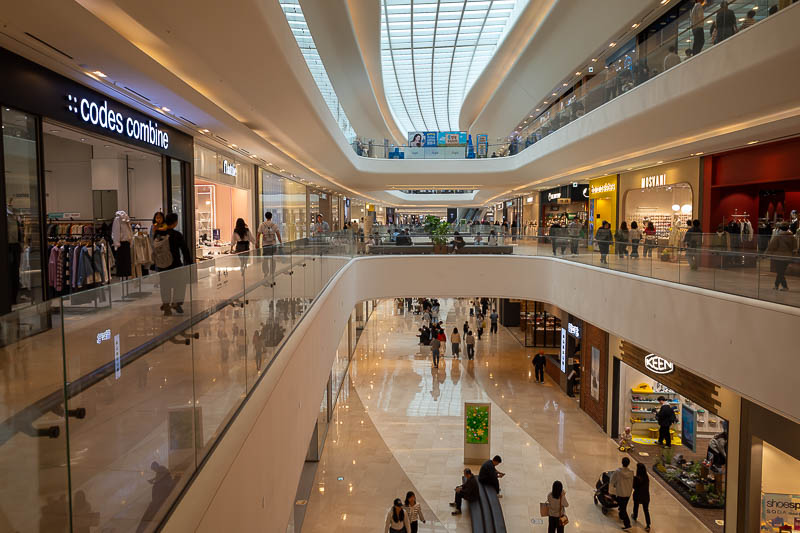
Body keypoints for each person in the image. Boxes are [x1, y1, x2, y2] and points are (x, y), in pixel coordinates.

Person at [153, 213, 192, 316]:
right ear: (175, 223)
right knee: (179, 284)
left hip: (162, 265)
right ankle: (176, 303)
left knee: (165, 286)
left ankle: (166, 306)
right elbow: (185, 250)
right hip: (175, 264)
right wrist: (189, 262)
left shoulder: (158, 233)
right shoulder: (176, 235)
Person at [766, 222, 794, 290]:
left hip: (778, 257)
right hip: (788, 257)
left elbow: (771, 246)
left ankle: (785, 286)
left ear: (780, 228)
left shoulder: (778, 236)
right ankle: (776, 285)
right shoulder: (792, 237)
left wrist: (765, 254)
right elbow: (794, 247)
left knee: (780, 272)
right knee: (781, 272)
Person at [609, 457, 634, 530]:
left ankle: (627, 524)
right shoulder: (631, 472)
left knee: (623, 509)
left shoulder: (618, 472)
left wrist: (611, 492)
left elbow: (612, 481)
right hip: (628, 493)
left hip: (621, 493)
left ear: (622, 462)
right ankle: (621, 516)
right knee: (623, 506)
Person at [632, 463, 651, 531]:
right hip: (646, 496)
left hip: (638, 495)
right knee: (646, 510)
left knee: (636, 506)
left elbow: (634, 486)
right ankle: (648, 525)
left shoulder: (637, 478)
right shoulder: (646, 477)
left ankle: (635, 516)